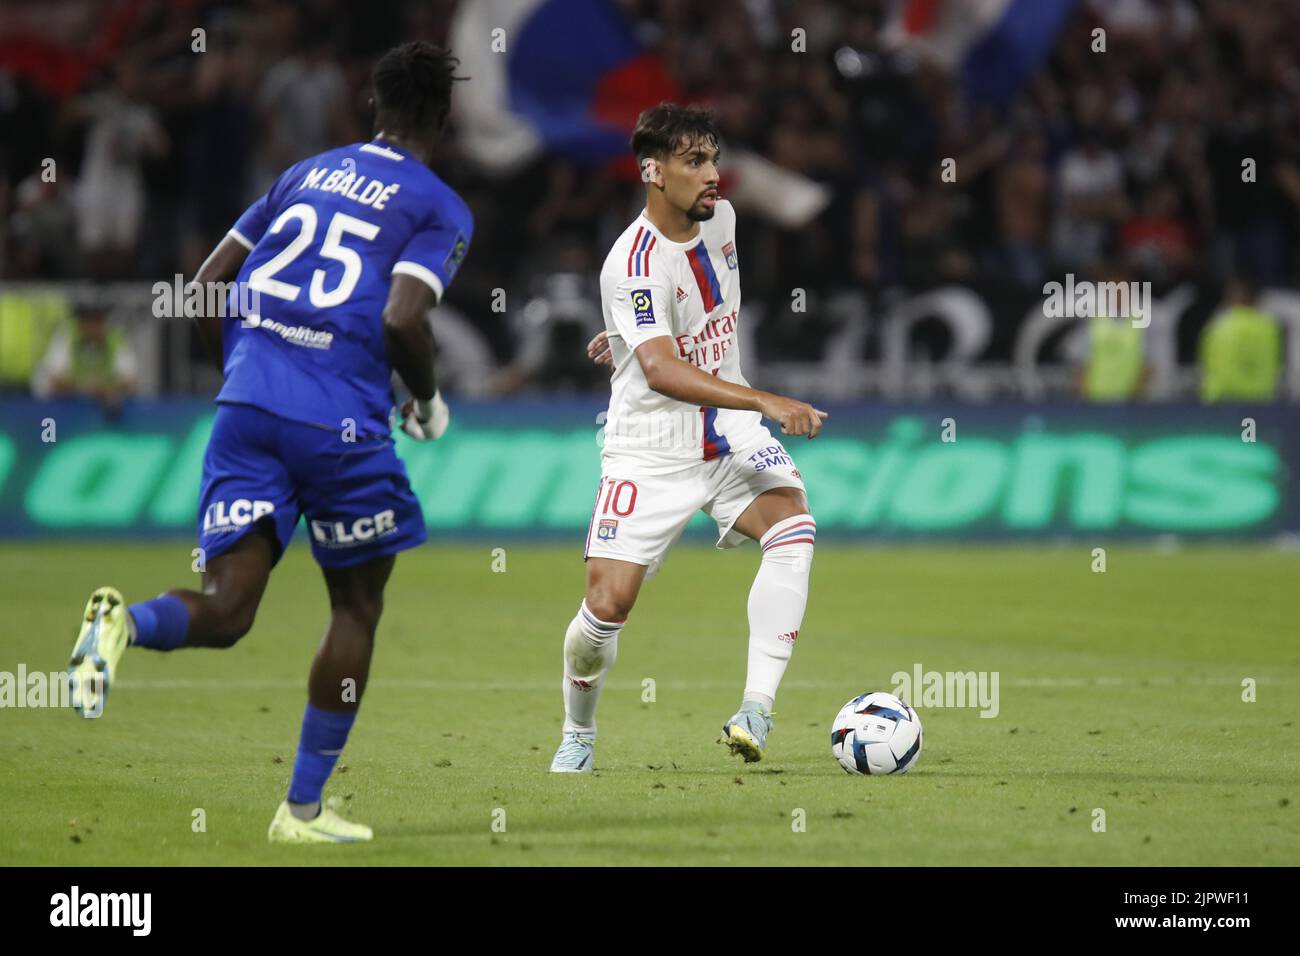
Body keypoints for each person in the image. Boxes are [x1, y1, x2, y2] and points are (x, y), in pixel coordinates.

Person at [65, 42, 473, 844]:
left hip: (245, 407)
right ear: (443, 118)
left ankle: (124, 626)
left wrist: (251, 369)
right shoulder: (438, 204)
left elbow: (207, 281)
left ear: (372, 106)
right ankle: (302, 810)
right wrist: (425, 400)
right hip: (341, 424)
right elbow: (400, 319)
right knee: (356, 606)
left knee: (226, 610)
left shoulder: (303, 173)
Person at [550, 103, 827, 773]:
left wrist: (624, 333)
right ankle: (578, 731)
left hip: (727, 435)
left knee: (793, 526)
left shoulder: (722, 220)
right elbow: (661, 369)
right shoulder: (631, 261)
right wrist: (765, 398)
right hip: (650, 445)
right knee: (605, 606)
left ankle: (755, 708)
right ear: (653, 171)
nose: (713, 176)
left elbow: (683, 323)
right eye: (695, 162)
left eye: (714, 160)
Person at [1199, 276, 1281, 402]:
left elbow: (1206, 361)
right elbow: (1276, 361)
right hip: (1261, 400)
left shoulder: (1218, 325)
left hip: (1222, 399)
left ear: (1228, 299)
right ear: (1255, 299)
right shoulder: (1269, 326)